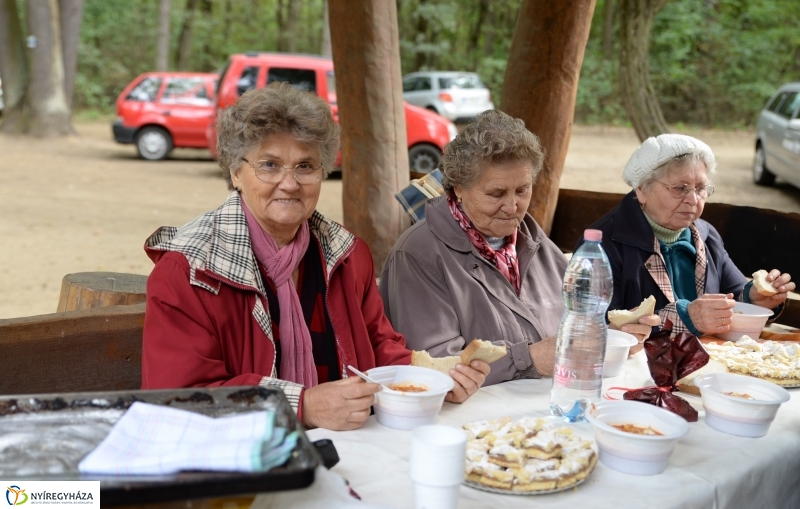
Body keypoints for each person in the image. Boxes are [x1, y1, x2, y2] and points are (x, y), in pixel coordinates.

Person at [141, 83, 489, 431]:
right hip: (242, 465)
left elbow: (378, 345)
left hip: (349, 445)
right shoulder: (189, 271)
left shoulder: (348, 255)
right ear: (235, 172)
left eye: (305, 166)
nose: (289, 183)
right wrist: (300, 407)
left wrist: (435, 380)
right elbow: (178, 398)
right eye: (269, 165)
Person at [380, 110, 656, 383]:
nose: (512, 207)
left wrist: (608, 338)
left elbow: (569, 335)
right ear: (459, 189)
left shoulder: (537, 244)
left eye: (522, 190)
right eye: (496, 193)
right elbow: (435, 365)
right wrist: (530, 359)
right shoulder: (419, 254)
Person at [579, 134, 794, 337]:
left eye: (700, 188)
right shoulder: (604, 243)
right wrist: (686, 318)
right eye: (680, 188)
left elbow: (733, 294)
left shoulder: (706, 235)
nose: (693, 199)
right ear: (642, 190)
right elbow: (600, 329)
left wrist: (754, 299)